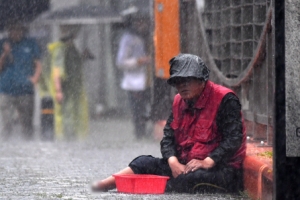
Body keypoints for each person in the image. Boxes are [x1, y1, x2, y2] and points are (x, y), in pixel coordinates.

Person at [91, 53, 247, 194]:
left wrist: (208, 161)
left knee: (189, 180)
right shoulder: (179, 101)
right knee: (143, 162)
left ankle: (148, 185)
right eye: (178, 82)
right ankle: (103, 185)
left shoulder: (225, 99)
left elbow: (233, 138)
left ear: (202, 81)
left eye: (188, 80)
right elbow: (168, 137)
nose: (182, 86)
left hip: (220, 170)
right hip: (184, 165)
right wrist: (173, 161)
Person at [42, 25, 90, 140]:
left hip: (75, 92)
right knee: (66, 118)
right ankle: (66, 142)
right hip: (66, 92)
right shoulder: (60, 49)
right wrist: (58, 90)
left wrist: (83, 56)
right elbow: (57, 71)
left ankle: (74, 141)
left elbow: (73, 66)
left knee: (75, 118)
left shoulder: (71, 48)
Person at [0, 20, 42, 140]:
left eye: (18, 29)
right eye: (12, 29)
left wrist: (35, 79)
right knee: (6, 125)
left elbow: (38, 63)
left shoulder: (31, 43)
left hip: (25, 91)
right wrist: (5, 54)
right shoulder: (3, 43)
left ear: (23, 30)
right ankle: (5, 151)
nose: (15, 32)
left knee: (27, 126)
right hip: (6, 90)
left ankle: (28, 151)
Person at [116, 11, 151, 139]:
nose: (143, 24)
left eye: (144, 21)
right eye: (139, 21)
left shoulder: (149, 36)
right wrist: (138, 61)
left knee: (148, 110)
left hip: (149, 82)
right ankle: (139, 134)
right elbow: (120, 62)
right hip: (135, 83)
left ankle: (146, 133)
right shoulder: (128, 39)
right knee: (138, 112)